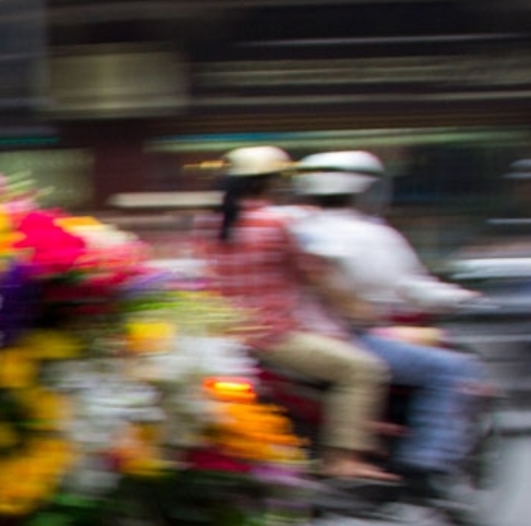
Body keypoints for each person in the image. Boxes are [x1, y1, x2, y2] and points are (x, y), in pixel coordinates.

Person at [202, 144, 393, 484]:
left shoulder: (208, 223)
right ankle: (342, 459)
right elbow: (317, 276)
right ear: (273, 183)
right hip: (274, 338)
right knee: (362, 370)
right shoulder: (281, 222)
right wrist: (357, 309)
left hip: (222, 339)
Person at [287, 150, 484, 480]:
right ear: (368, 190)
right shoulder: (373, 236)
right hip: (345, 336)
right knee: (451, 368)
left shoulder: (287, 226)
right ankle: (424, 461)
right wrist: (467, 299)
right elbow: (412, 288)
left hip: (290, 338)